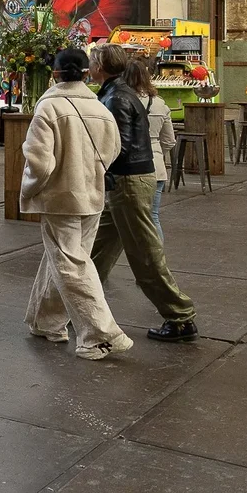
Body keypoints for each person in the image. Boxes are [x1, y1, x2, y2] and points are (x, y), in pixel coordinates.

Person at [21, 48, 133, 361]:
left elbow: (39, 162)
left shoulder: (48, 107)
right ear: (86, 73)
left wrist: (32, 189)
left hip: (60, 198)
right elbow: (113, 151)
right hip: (93, 196)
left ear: (54, 74)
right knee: (65, 259)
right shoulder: (101, 109)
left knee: (70, 264)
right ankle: (47, 322)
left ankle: (99, 335)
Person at [87, 44, 200, 343]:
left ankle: (180, 316)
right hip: (128, 180)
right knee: (99, 249)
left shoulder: (116, 98)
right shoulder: (117, 93)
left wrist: (92, 165)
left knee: (144, 255)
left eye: (92, 61)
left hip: (128, 182)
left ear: (101, 66)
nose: (89, 65)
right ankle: (79, 305)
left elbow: (117, 147)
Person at [125, 59, 177, 240]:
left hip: (129, 167)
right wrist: (157, 152)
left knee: (124, 217)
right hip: (156, 168)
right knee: (153, 216)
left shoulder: (122, 101)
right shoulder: (160, 104)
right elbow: (170, 140)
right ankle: (157, 259)